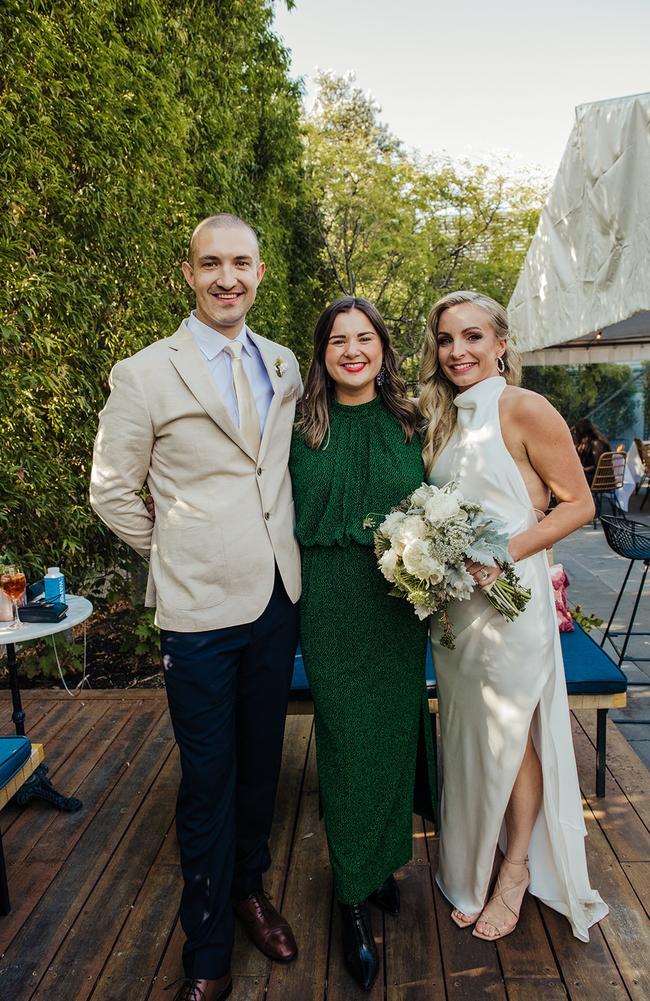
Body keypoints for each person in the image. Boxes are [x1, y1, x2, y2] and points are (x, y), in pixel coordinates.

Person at [90, 214, 302, 1001]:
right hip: (199, 613)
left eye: (240, 263)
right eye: (211, 263)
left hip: (278, 598)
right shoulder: (145, 372)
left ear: (260, 270)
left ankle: (249, 887)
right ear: (188, 272)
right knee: (208, 778)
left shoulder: (282, 362)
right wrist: (172, 550)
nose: (227, 278)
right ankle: (207, 947)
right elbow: (110, 488)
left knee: (262, 769)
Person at [419, 290, 608, 943]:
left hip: (511, 604)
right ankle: (468, 864)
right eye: (446, 339)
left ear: (501, 343)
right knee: (469, 742)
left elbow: (578, 503)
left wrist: (506, 552)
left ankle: (516, 868)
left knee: (511, 737)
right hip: (456, 614)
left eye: (473, 337)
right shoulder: (441, 416)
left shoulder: (524, 408)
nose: (457, 351)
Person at [289, 296, 437, 992]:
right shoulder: (299, 428)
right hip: (331, 607)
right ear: (322, 353)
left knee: (391, 734)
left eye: (364, 337)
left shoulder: (413, 423)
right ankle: (349, 896)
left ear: (382, 347)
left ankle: (380, 866)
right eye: (338, 340)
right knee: (347, 745)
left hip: (395, 613)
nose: (352, 350)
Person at [572, 418, 611, 485]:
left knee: (572, 477)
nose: (575, 434)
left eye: (576, 431)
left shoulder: (596, 444)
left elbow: (598, 466)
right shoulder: (596, 441)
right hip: (606, 478)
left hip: (600, 479)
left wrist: (584, 470)